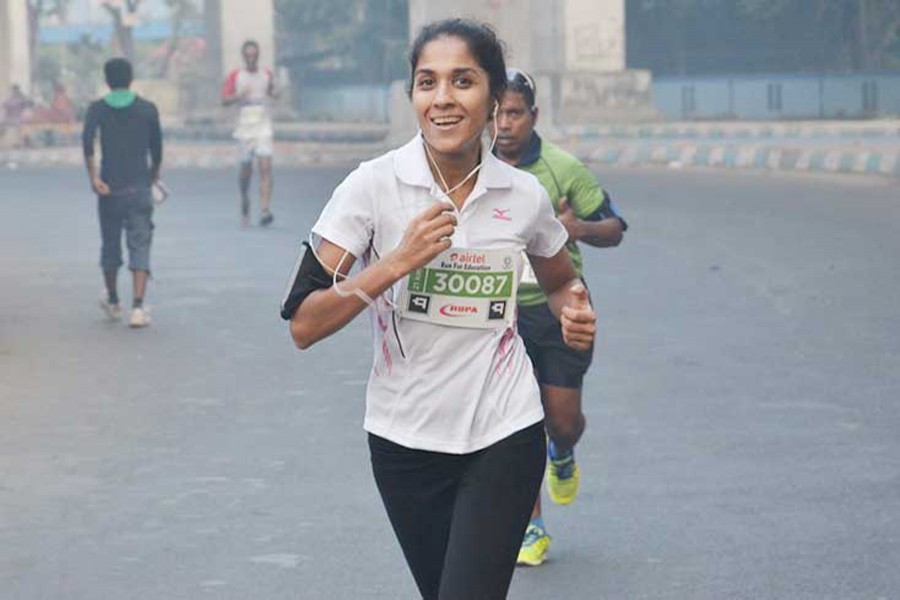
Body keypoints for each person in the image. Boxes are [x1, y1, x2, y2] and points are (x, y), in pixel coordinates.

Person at [281, 20, 597, 599]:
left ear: (496, 100)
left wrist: (572, 309)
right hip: (404, 442)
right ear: (413, 97)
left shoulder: (522, 195)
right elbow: (304, 322)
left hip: (505, 429)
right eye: (427, 83)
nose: (444, 98)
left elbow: (559, 279)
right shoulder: (371, 188)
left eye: (463, 81)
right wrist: (394, 263)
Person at [495, 68, 628, 566]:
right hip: (500, 318)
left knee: (561, 422)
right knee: (518, 423)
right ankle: (530, 525)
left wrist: (575, 227)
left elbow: (614, 227)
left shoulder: (562, 168)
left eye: (514, 114)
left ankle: (564, 450)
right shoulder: (475, 169)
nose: (504, 125)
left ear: (533, 116)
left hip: (560, 311)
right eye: (497, 114)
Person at [82, 58, 163, 328]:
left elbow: (88, 144)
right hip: (138, 187)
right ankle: (138, 308)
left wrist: (94, 178)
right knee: (140, 244)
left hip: (109, 189)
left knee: (110, 246)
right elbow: (157, 151)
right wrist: (152, 179)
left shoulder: (97, 109)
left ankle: (114, 300)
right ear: (131, 78)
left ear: (107, 80)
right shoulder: (147, 109)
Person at [222, 39, 277, 227]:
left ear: (258, 56)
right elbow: (225, 99)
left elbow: (272, 92)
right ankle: (245, 198)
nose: (252, 58)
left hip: (263, 123)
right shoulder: (236, 76)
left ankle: (265, 208)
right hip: (244, 125)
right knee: (246, 170)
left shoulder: (266, 75)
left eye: (254, 55)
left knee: (265, 167)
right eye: (248, 55)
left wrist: (277, 93)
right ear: (244, 56)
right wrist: (238, 95)